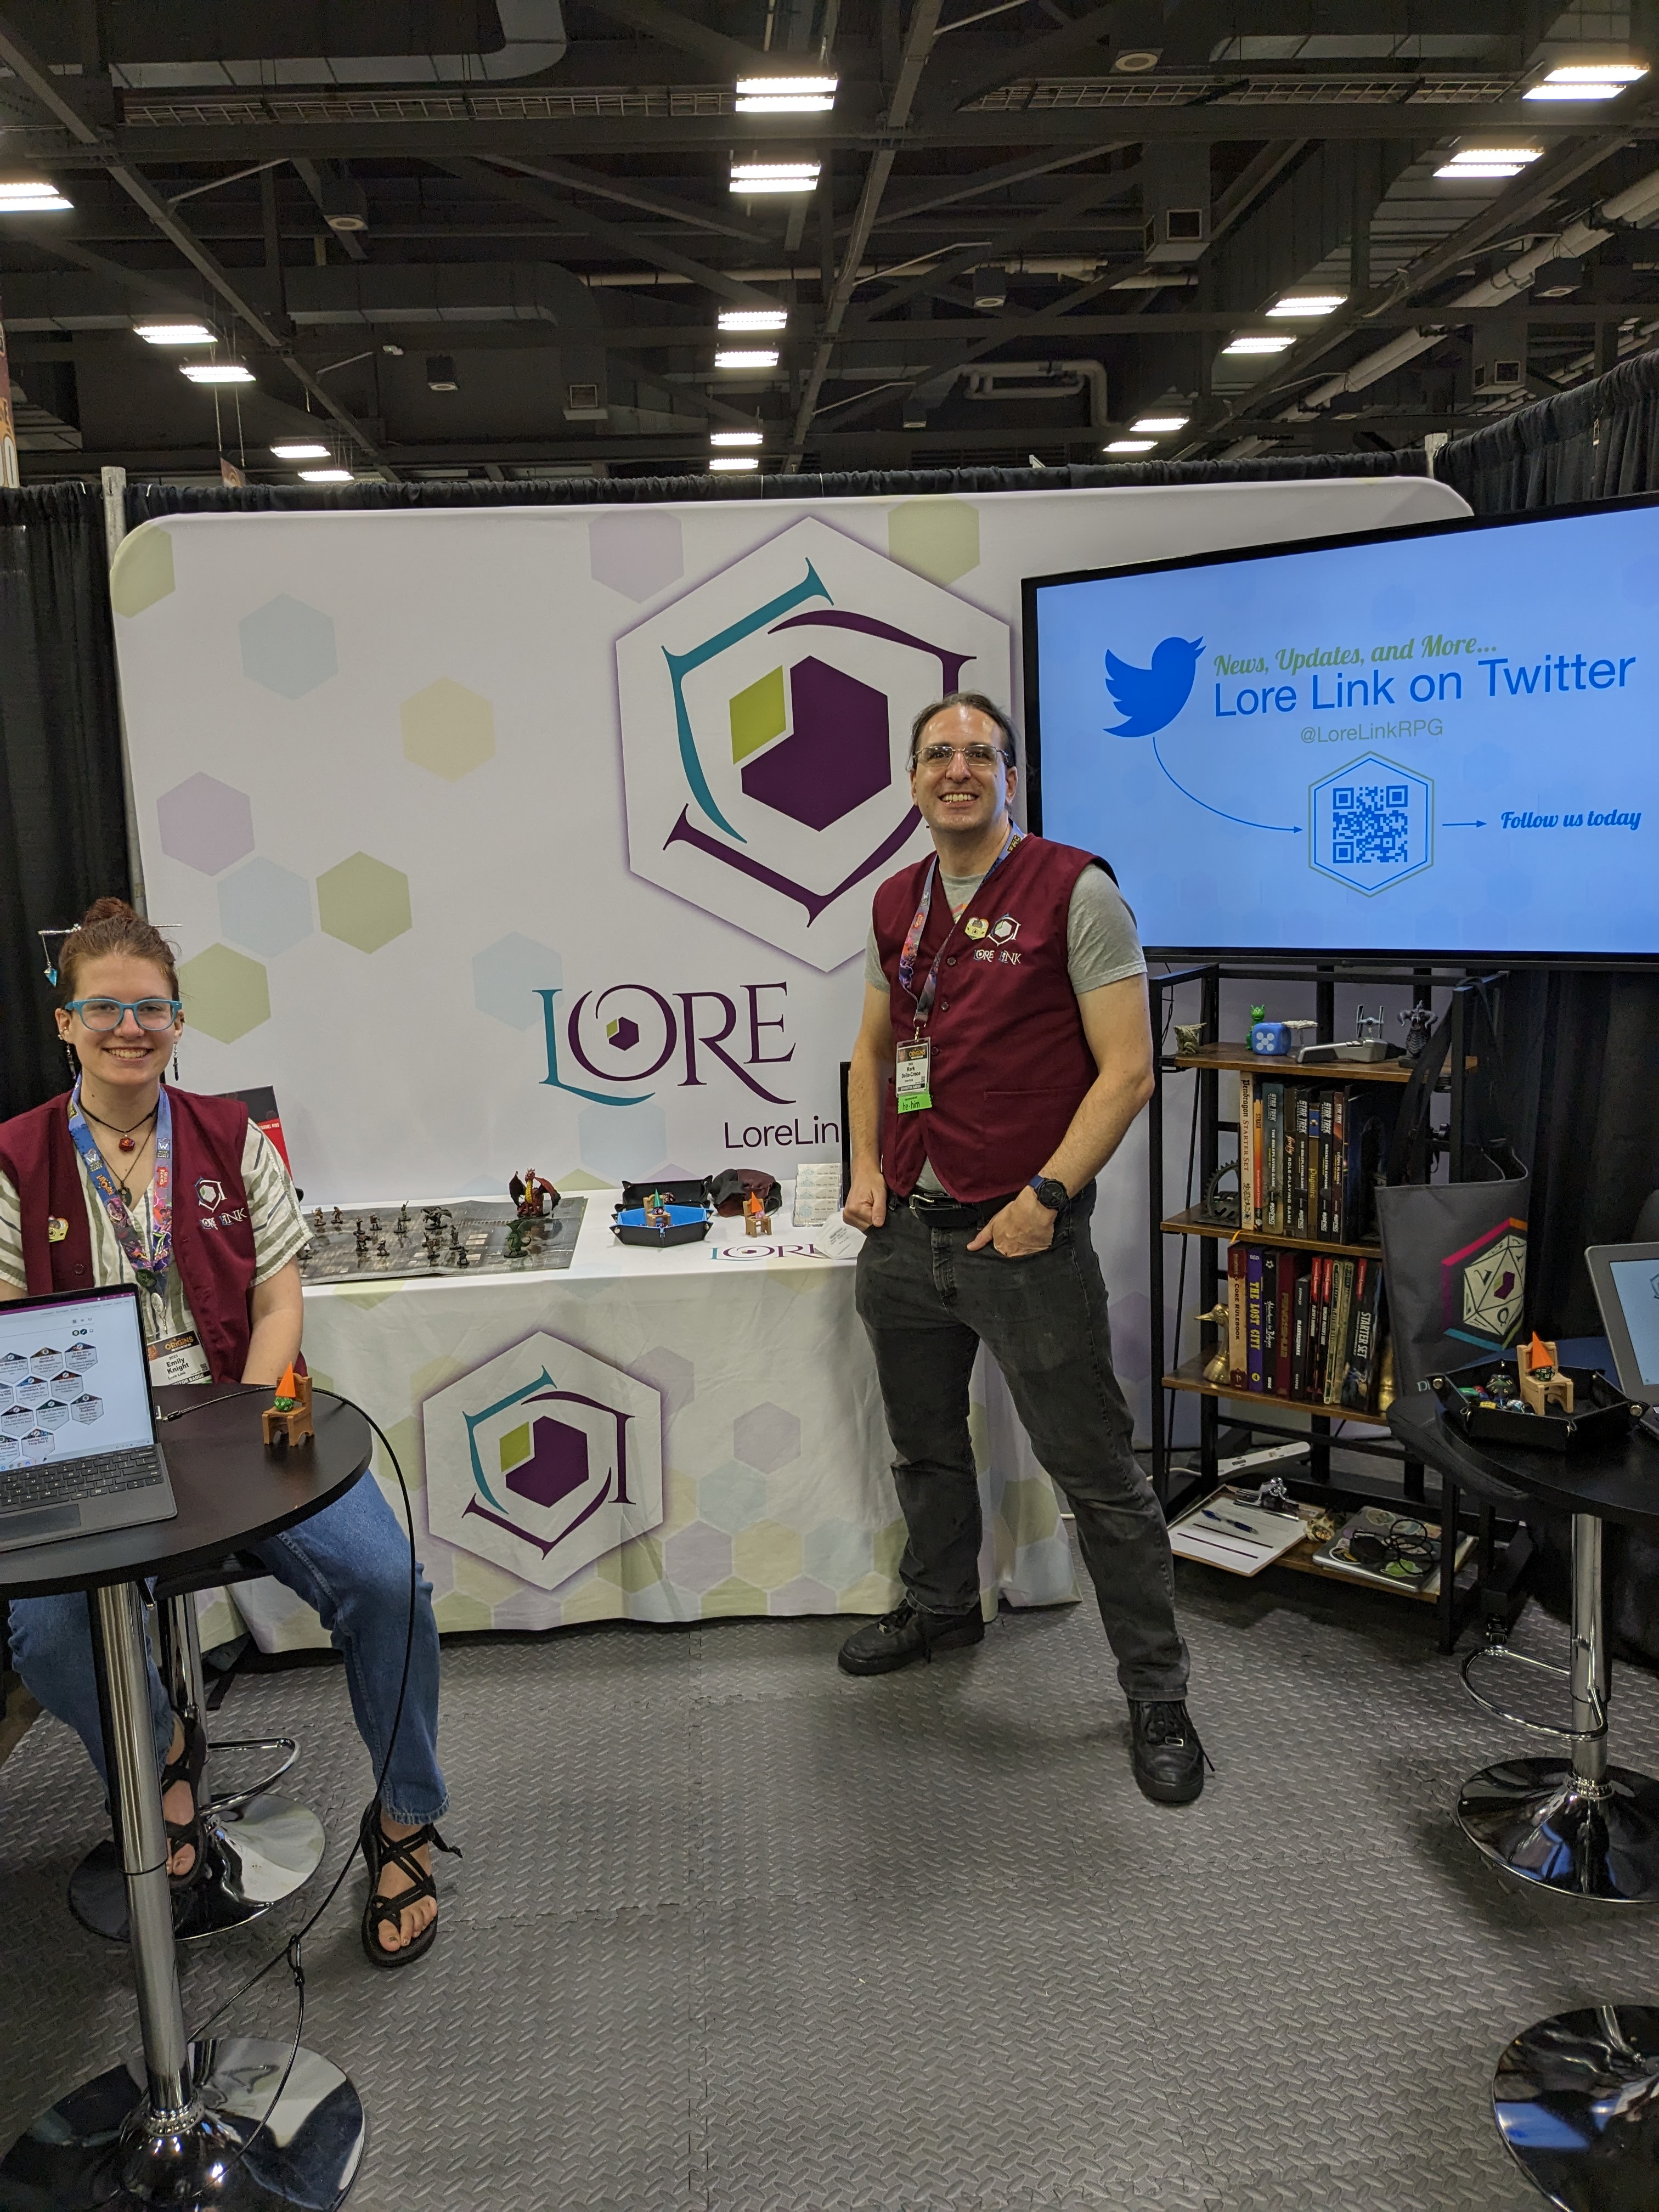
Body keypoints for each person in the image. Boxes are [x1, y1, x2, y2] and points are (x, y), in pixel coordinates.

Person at [0, 898, 456, 1961]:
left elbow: (280, 1302)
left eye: (150, 1008)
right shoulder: (16, 1161)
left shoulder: (229, 1137)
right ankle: (157, 1750)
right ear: (65, 1022)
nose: (129, 1026)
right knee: (50, 1634)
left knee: (391, 1587)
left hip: (245, 1423)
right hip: (84, 1446)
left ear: (179, 1021)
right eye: (104, 1007)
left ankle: (407, 1814)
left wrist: (244, 1422)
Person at [841, 694, 1206, 1805]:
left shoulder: (1076, 891)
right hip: (907, 1238)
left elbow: (1129, 1071)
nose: (958, 769)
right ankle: (944, 1609)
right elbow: (870, 1047)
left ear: (1013, 778)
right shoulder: (896, 900)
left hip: (1025, 1239)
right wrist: (866, 1169)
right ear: (913, 780)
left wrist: (1050, 1195)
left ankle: (1158, 1695)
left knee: (1099, 1479)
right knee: (925, 1451)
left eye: (979, 755)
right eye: (938, 754)